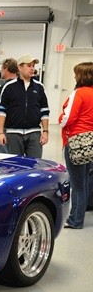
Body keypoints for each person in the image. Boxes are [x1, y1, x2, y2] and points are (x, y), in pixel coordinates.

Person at [59, 62, 93, 229]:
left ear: (82, 76)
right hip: (90, 141)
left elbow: (68, 117)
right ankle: (81, 212)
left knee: (77, 183)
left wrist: (60, 120)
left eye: (76, 74)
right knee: (85, 180)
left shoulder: (79, 93)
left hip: (76, 141)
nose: (74, 76)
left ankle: (75, 220)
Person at [0, 54, 50, 157]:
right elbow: (2, 111)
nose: (32, 68)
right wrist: (0, 132)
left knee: (35, 163)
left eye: (33, 66)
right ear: (20, 67)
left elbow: (44, 111)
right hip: (13, 133)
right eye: (29, 66)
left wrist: (45, 131)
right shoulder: (8, 87)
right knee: (16, 164)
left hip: (34, 133)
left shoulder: (39, 87)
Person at [0, 58, 18, 153]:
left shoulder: (8, 86)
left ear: (6, 69)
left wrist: (0, 130)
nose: (1, 71)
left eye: (1, 68)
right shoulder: (14, 85)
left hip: (3, 127)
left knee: (2, 154)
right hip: (5, 126)